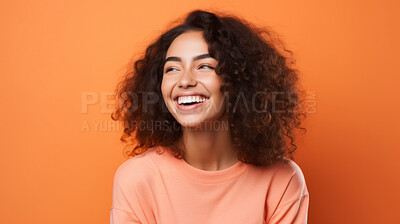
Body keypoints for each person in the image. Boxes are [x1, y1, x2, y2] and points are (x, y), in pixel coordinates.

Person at [110, 9, 309, 224]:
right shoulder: (137, 179)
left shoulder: (282, 180)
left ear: (239, 81)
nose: (185, 80)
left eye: (204, 66)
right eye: (172, 69)